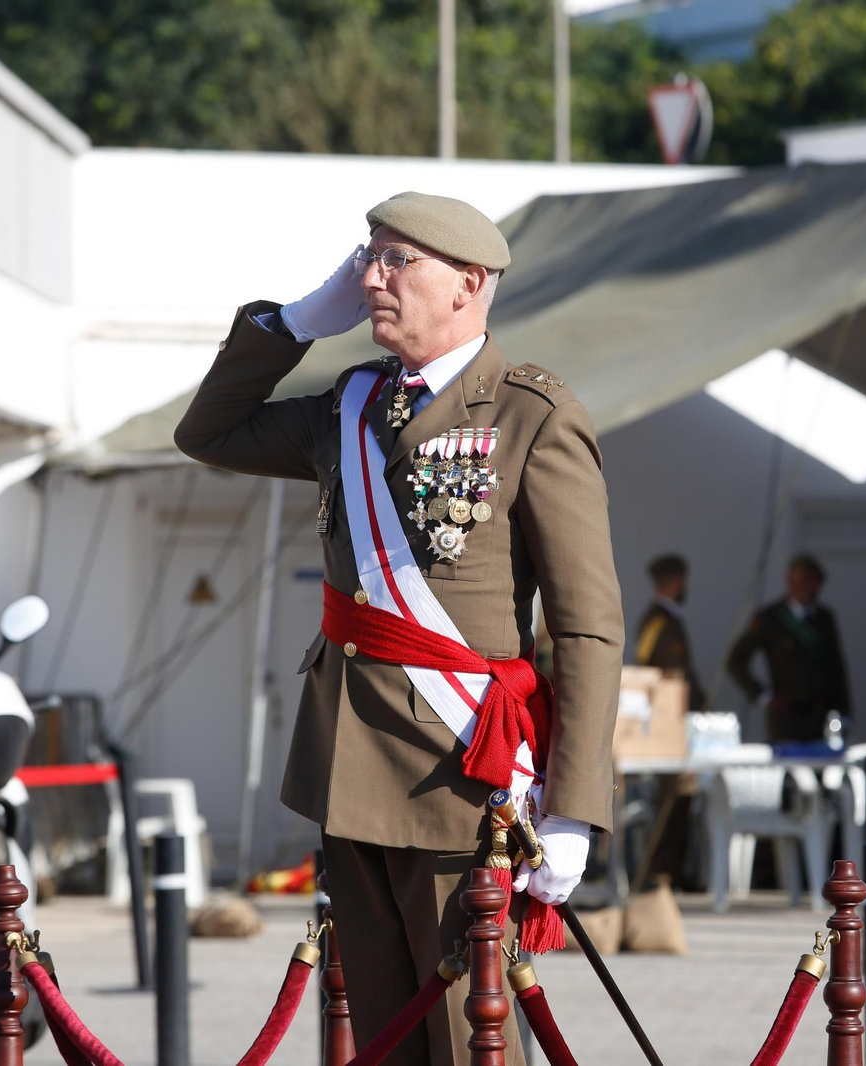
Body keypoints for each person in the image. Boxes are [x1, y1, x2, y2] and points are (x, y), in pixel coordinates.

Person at [174, 192, 625, 1066]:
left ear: (468, 283)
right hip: (347, 762)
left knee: (466, 1042)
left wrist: (573, 808)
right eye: (366, 259)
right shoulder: (351, 405)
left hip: (460, 777)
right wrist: (298, 320)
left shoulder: (531, 413)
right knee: (382, 1039)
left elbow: (588, 628)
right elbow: (208, 430)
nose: (370, 278)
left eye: (395, 261)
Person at [727, 554, 850, 743]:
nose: (811, 588)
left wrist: (844, 712)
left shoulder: (825, 618)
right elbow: (735, 660)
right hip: (787, 720)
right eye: (805, 582)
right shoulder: (770, 618)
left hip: (822, 718)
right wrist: (764, 696)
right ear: (791, 582)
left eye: (815, 582)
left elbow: (837, 668)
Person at [636, 554, 707, 710]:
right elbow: (669, 668)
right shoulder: (659, 621)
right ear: (678, 582)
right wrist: (698, 703)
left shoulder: (664, 618)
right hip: (668, 706)